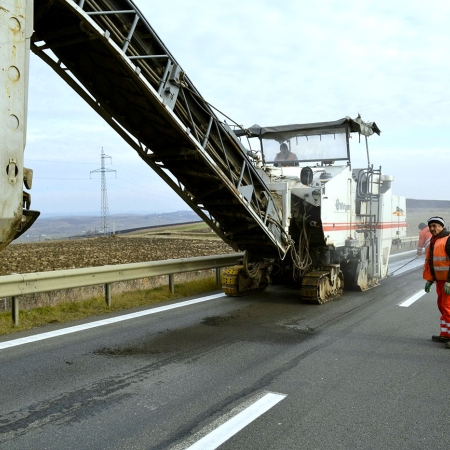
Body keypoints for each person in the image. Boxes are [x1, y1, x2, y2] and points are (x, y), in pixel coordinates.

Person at [423, 216, 450, 346]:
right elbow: (434, 264)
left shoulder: (448, 239)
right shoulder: (434, 241)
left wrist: (449, 281)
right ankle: (445, 335)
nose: (432, 228)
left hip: (448, 281)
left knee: (447, 307)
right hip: (440, 281)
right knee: (442, 306)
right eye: (431, 226)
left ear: (442, 227)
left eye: (435, 226)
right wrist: (430, 280)